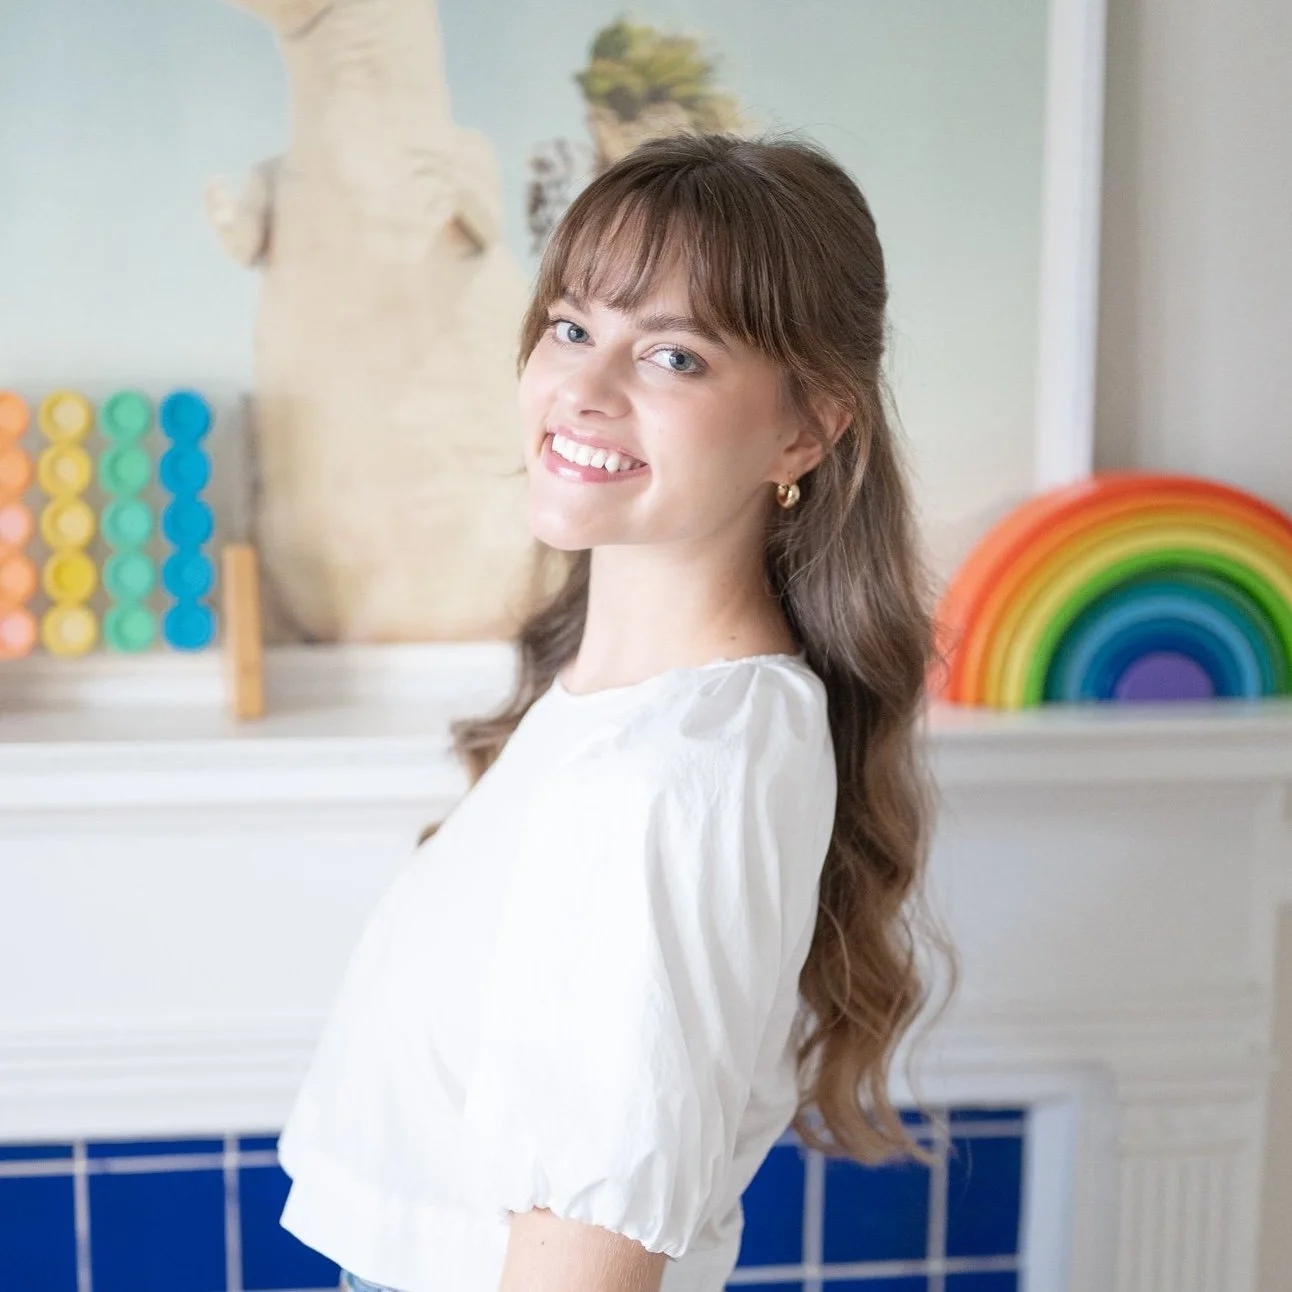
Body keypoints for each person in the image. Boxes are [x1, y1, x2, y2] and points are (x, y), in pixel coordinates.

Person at [274, 131, 957, 1292]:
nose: (582, 389)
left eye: (675, 357)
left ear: (805, 428)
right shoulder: (611, 717)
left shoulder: (682, 764)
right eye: (572, 326)